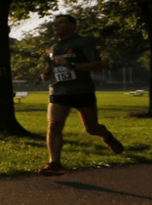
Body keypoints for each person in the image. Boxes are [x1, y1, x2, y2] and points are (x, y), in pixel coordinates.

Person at [38, 14, 124, 176]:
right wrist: (46, 74)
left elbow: (98, 65)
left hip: (82, 90)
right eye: (55, 24)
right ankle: (54, 163)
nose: (56, 26)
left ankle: (107, 137)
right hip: (58, 91)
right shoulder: (51, 47)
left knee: (91, 128)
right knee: (54, 125)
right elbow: (50, 66)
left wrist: (73, 66)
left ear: (73, 26)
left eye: (61, 23)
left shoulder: (84, 42)